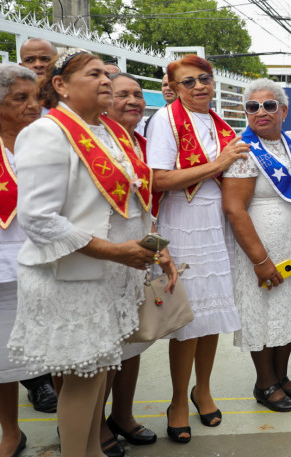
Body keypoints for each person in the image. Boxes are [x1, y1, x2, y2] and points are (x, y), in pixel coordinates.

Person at [8, 49, 176, 457]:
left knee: (100, 370)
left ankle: (93, 451)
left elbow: (133, 198)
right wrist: (114, 251)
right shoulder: (46, 133)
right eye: (93, 73)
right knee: (83, 380)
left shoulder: (110, 130)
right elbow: (39, 219)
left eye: (105, 73)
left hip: (110, 275)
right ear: (61, 85)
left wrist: (154, 246)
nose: (105, 80)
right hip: (72, 278)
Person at [146, 54, 249, 442]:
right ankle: (177, 400)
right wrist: (217, 164)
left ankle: (202, 390)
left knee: (212, 316)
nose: (199, 86)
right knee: (188, 320)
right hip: (182, 223)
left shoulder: (219, 123)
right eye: (188, 82)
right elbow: (158, 179)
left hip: (215, 225)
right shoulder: (165, 120)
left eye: (204, 78)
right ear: (174, 88)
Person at [222, 79, 291, 413]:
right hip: (262, 249)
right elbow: (234, 209)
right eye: (253, 107)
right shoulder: (243, 150)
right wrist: (260, 259)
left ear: (284, 110)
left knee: (288, 310)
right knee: (264, 312)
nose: (260, 112)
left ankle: (281, 376)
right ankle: (265, 383)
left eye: (269, 105)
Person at [97, 73, 158, 457]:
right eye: (122, 94)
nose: (133, 100)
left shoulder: (140, 142)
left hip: (136, 253)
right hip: (105, 251)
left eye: (137, 93)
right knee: (102, 346)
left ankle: (122, 414)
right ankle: (93, 424)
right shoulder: (95, 140)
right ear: (105, 100)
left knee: (131, 341)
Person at [15, 38, 60, 410]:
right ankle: (37, 382)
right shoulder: (13, 102)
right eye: (30, 59)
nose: (38, 64)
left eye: (45, 58)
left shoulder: (63, 105)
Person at [0, 64, 40, 457]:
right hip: (3, 265)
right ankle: (11, 431)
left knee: (61, 349)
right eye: (20, 98)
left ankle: (75, 424)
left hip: (48, 261)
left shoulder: (47, 141)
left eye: (35, 97)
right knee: (2, 354)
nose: (33, 105)